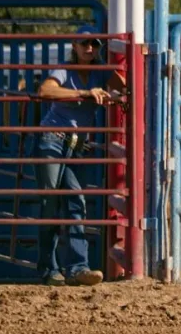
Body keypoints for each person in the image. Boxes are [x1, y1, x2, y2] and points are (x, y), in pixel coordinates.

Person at [35, 25, 121, 286]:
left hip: (75, 145)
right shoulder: (64, 69)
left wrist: (115, 96)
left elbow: (126, 89)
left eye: (94, 44)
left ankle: (76, 268)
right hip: (52, 140)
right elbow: (45, 91)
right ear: (75, 45)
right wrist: (85, 93)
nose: (89, 48)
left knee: (75, 201)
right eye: (84, 44)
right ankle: (50, 269)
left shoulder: (102, 71)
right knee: (52, 203)